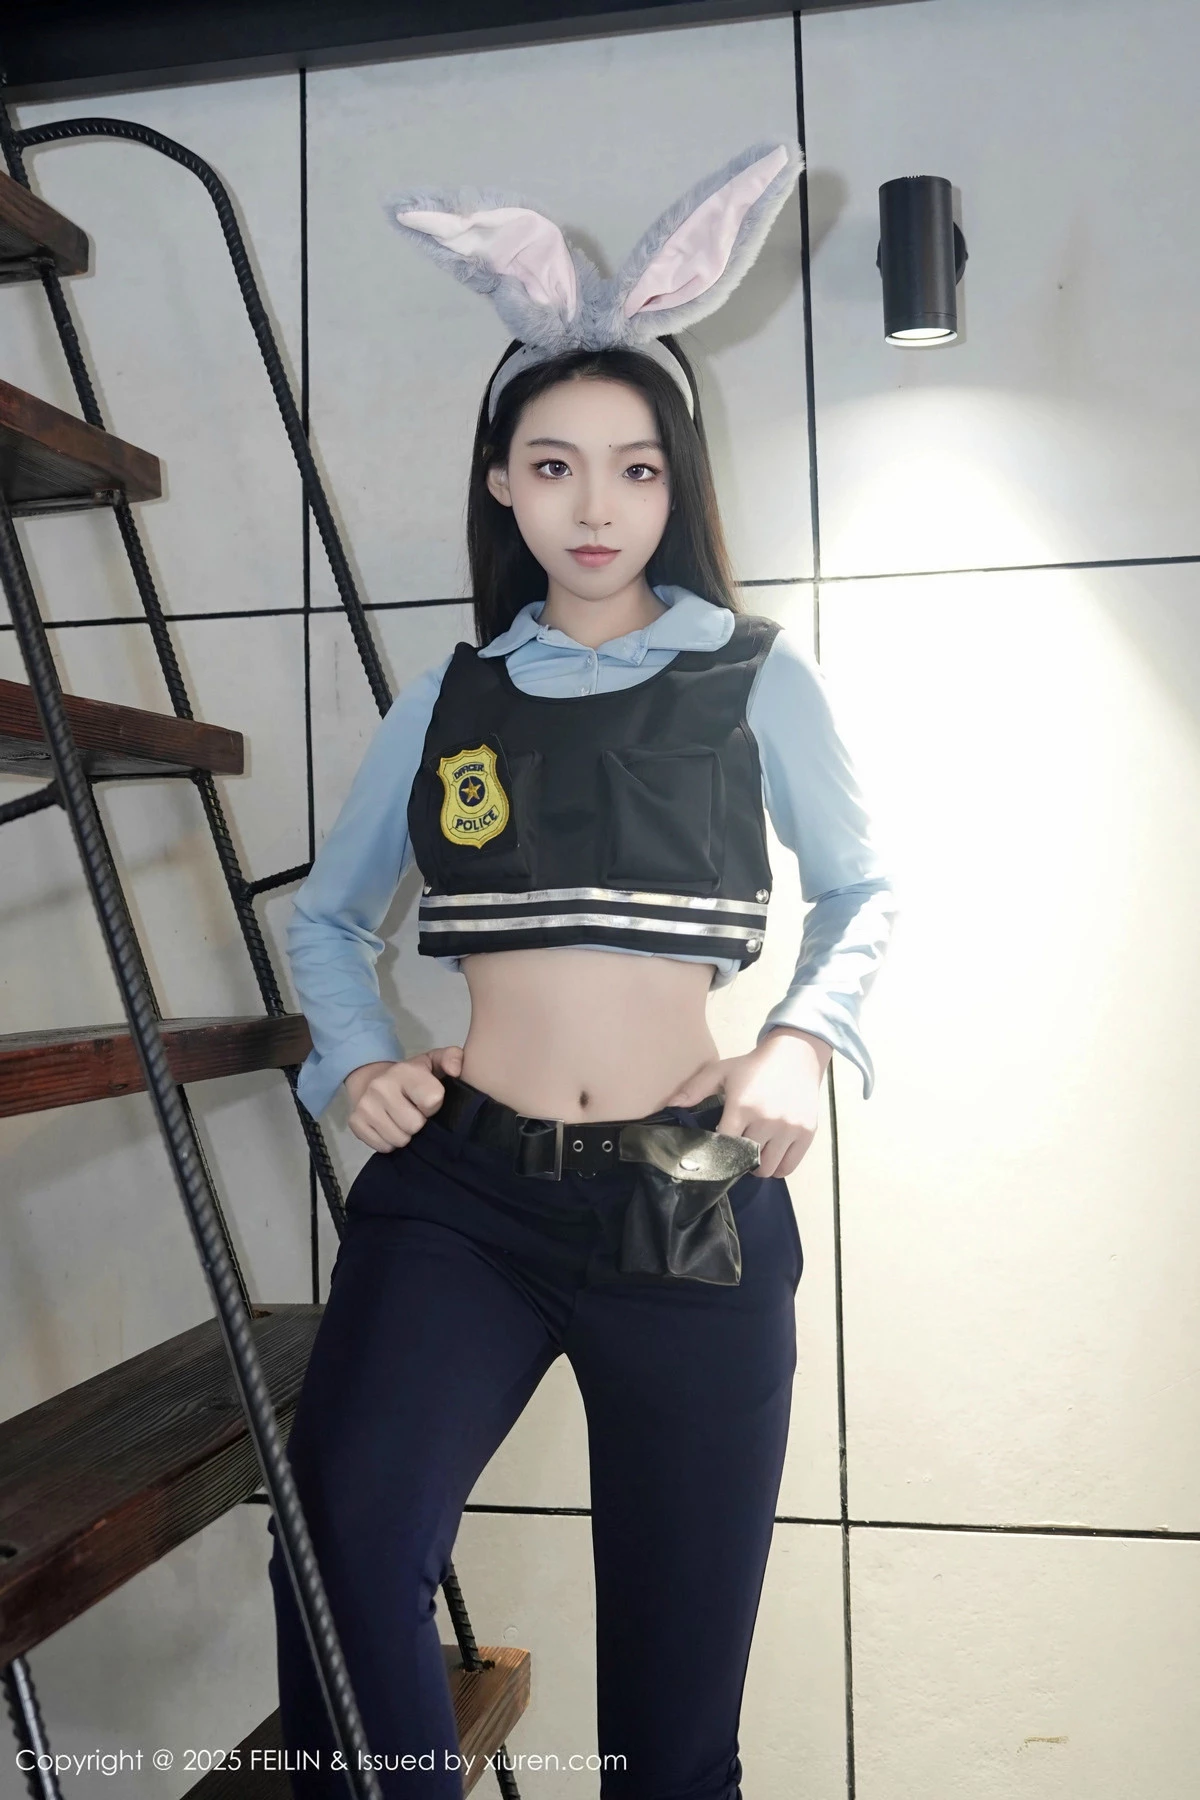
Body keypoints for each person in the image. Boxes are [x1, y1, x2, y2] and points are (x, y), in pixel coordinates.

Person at [267, 142, 897, 1799]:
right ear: (503, 483)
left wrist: (797, 1043)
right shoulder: (450, 696)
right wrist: (355, 1060)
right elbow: (327, 919)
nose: (596, 508)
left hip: (686, 1188)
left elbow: (863, 888)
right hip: (461, 1198)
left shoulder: (753, 677)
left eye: (634, 470)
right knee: (338, 1557)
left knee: (672, 1722)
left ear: (677, 487)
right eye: (555, 467)